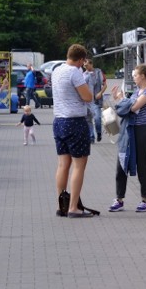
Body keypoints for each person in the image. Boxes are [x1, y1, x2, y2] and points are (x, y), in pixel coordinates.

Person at [108, 64, 146, 213]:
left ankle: (144, 199)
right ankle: (119, 199)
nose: (133, 78)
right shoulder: (137, 91)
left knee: (142, 164)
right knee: (121, 163)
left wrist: (123, 101)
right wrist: (121, 100)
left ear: (143, 76)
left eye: (135, 75)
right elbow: (125, 108)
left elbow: (133, 108)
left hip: (143, 130)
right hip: (129, 130)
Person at [52, 44, 94, 218]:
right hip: (75, 122)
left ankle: (61, 204)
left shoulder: (56, 70)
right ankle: (73, 207)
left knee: (63, 165)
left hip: (58, 121)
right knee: (79, 165)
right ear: (81, 59)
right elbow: (87, 97)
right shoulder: (74, 72)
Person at [83, 58, 107, 142]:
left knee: (97, 118)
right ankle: (91, 137)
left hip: (96, 101)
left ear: (91, 64)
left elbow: (105, 85)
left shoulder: (98, 72)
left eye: (87, 65)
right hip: (87, 101)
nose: (85, 67)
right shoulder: (84, 74)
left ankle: (99, 132)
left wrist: (100, 93)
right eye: (84, 66)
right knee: (88, 120)